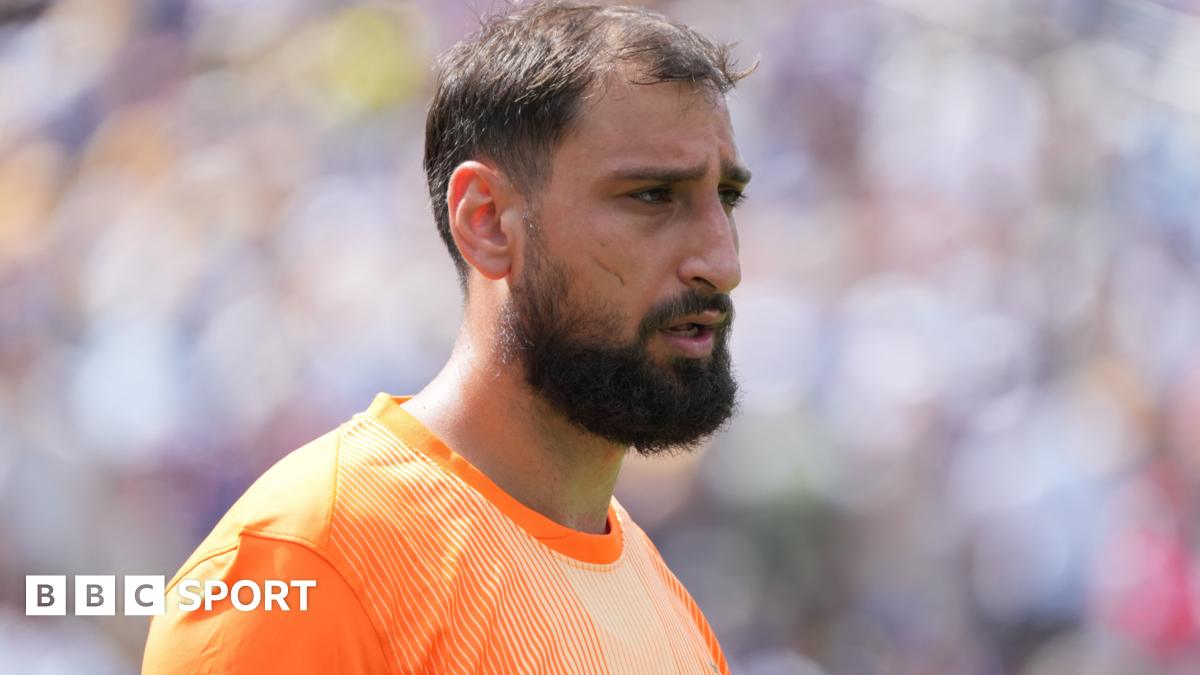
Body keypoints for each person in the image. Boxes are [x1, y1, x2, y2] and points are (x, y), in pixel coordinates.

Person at [142, 1, 753, 672]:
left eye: (724, 197)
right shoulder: (306, 560)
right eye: (652, 196)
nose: (722, 262)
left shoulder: (668, 609)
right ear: (487, 221)